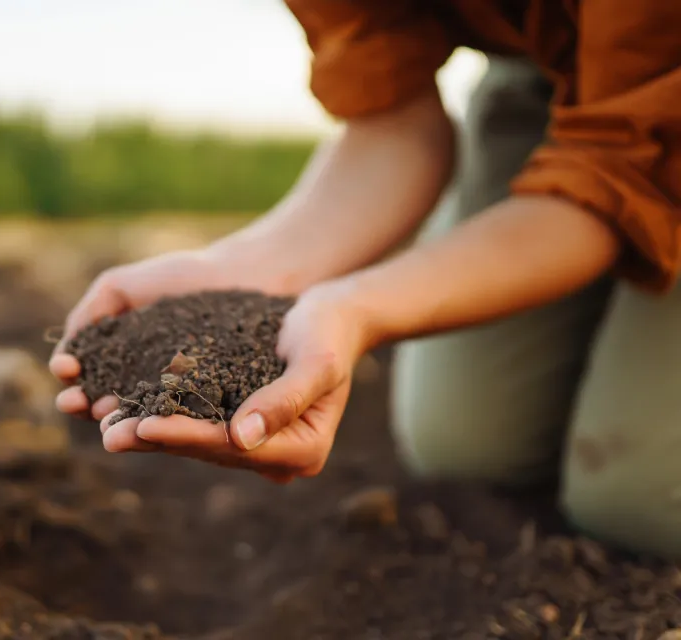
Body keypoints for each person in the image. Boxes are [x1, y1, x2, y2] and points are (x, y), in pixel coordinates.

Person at [50, 2, 681, 557]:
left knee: (637, 502)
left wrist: (361, 308)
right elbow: (393, 123)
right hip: (549, 69)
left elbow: (615, 174)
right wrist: (247, 273)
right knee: (468, 446)